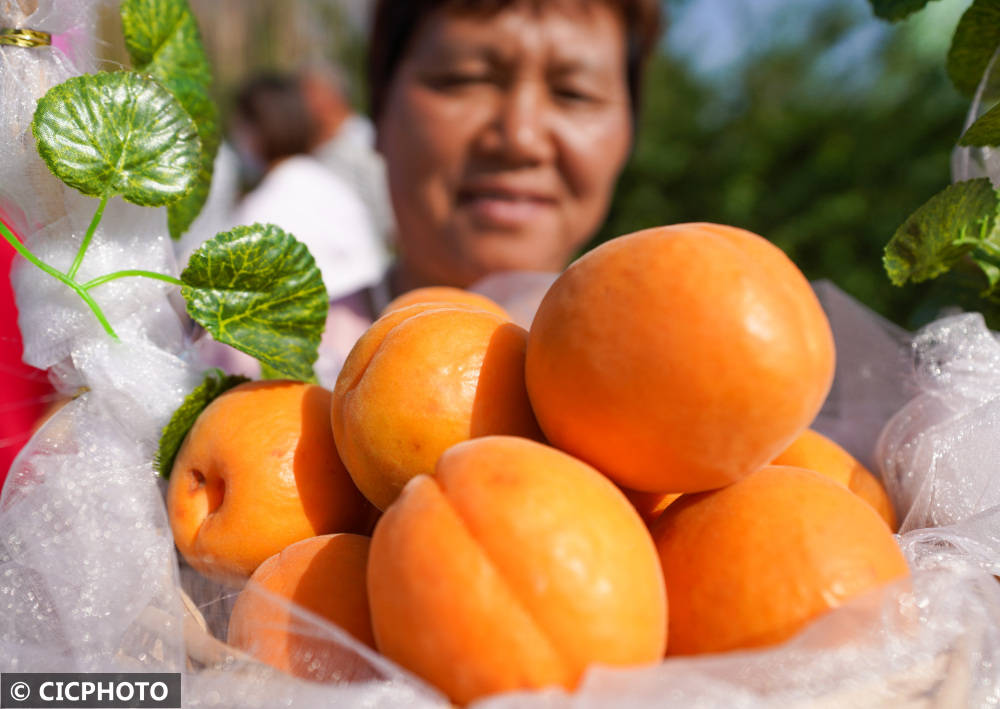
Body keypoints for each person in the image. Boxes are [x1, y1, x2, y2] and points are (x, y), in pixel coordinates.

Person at [322, 0, 663, 366]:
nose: (520, 138)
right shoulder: (275, 372)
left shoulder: (673, 377)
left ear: (630, 131)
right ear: (380, 106)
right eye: (466, 79)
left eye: (574, 93)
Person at [300, 63, 397, 252]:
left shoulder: (365, 142)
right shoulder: (314, 150)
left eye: (305, 94)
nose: (296, 105)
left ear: (328, 96)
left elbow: (389, 218)